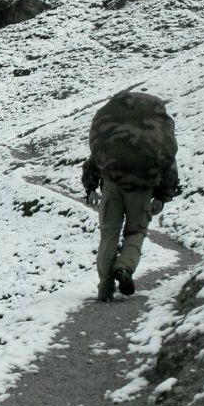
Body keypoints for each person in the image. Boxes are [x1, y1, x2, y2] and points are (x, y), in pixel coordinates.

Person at [81, 91, 180, 302]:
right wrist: (162, 197)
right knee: (136, 233)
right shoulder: (157, 133)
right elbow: (169, 165)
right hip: (143, 189)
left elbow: (94, 160)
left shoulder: (112, 133)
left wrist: (90, 188)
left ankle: (105, 287)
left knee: (108, 237)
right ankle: (124, 267)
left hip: (112, 185)